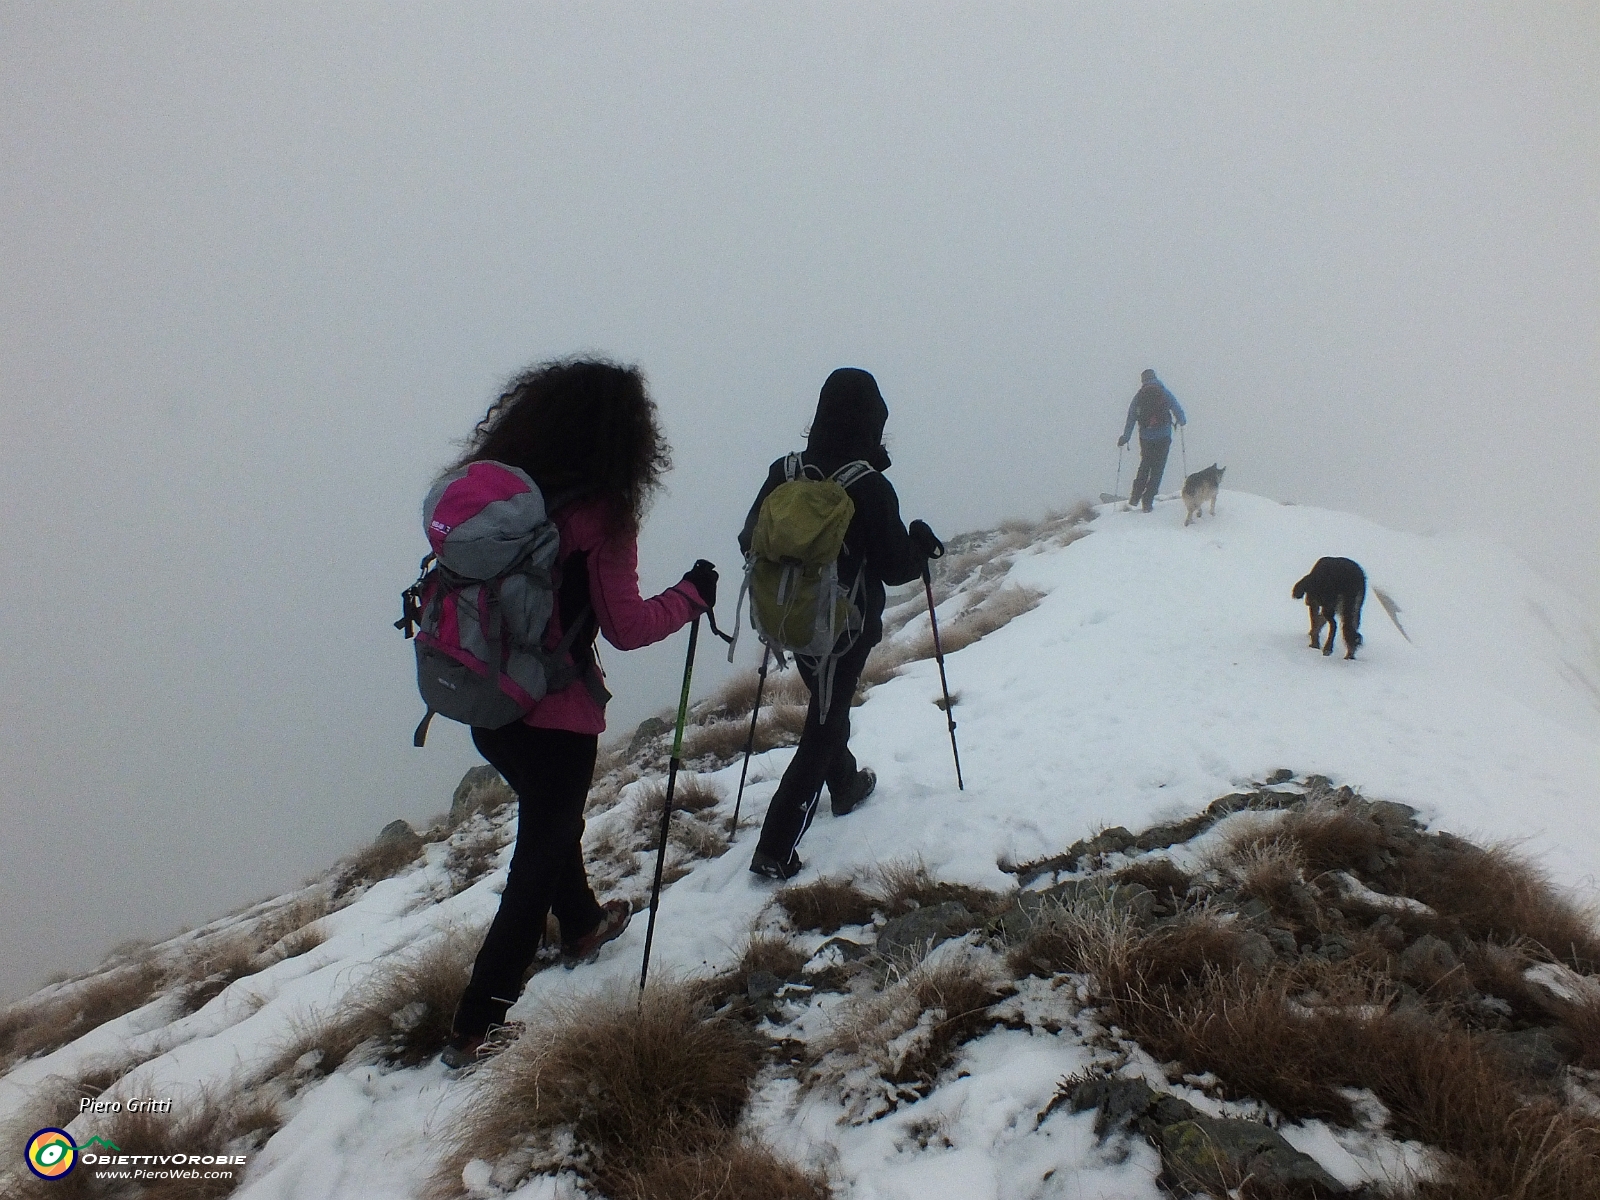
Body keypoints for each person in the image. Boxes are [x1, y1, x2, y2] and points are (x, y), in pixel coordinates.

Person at [441, 358, 716, 1067]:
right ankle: (479, 1022)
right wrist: (691, 596)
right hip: (554, 713)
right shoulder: (602, 511)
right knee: (539, 849)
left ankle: (585, 923)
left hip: (484, 700)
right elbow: (626, 626)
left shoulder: (498, 492)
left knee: (551, 821)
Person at [740, 367, 941, 881]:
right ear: (872, 421)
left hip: (787, 620)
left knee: (825, 707)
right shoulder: (867, 486)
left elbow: (749, 538)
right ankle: (776, 846)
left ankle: (846, 785)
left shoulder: (784, 472)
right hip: (844, 627)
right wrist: (922, 545)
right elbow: (897, 568)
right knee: (826, 724)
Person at [1117, 368, 1188, 512]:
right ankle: (1147, 501)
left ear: (1143, 380)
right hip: (1163, 436)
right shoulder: (1164, 392)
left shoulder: (1139, 396)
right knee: (1158, 469)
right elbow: (1177, 409)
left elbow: (1131, 417)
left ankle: (1135, 496)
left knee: (1145, 466)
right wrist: (1181, 420)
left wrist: (1125, 437)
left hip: (1146, 437)